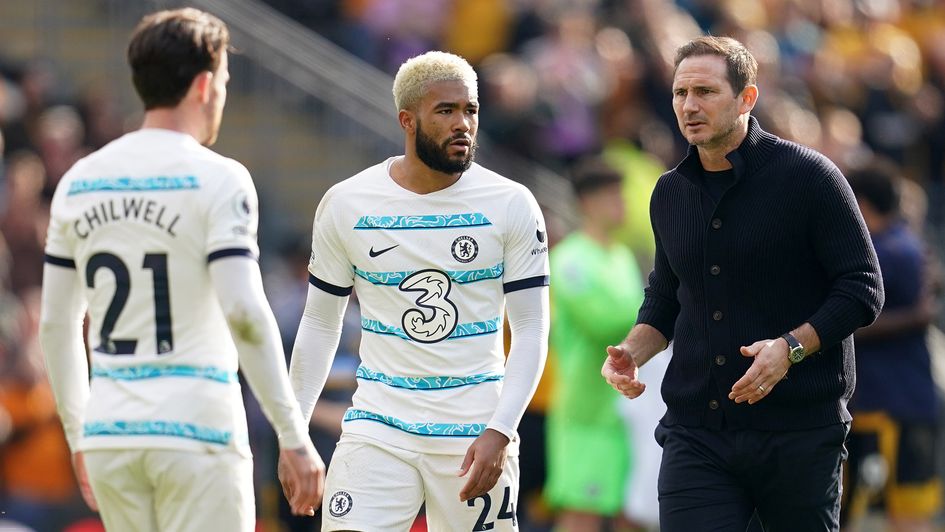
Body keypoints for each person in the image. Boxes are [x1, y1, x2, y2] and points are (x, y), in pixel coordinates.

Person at [37, 8, 324, 531]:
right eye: (225, 82)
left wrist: (80, 434)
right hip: (196, 429)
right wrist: (292, 434)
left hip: (112, 433)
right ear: (204, 84)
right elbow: (242, 311)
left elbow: (56, 326)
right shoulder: (220, 178)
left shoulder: (79, 182)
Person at [601, 35, 884, 531]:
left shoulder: (811, 177)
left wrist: (791, 348)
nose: (689, 106)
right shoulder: (668, 192)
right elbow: (666, 297)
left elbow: (863, 288)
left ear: (746, 98)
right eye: (680, 93)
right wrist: (632, 350)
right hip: (697, 433)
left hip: (799, 431)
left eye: (705, 92)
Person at [284, 50, 550, 531]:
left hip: (475, 432)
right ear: (407, 120)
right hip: (378, 427)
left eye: (470, 110)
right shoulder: (349, 204)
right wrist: (292, 430)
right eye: (445, 111)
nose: (462, 124)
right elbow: (321, 322)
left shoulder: (511, 203)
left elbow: (530, 327)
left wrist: (502, 428)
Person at [841, 162, 942, 532]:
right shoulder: (907, 244)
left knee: (904, 518)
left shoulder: (882, 253)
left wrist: (824, 330)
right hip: (903, 403)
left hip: (886, 408)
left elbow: (853, 317)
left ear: (861, 204)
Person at [544, 158, 643, 530]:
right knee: (580, 513)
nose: (622, 202)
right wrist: (661, 315)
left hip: (624, 409)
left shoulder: (621, 258)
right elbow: (601, 323)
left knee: (631, 513)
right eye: (612, 195)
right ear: (587, 202)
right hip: (584, 412)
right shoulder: (568, 259)